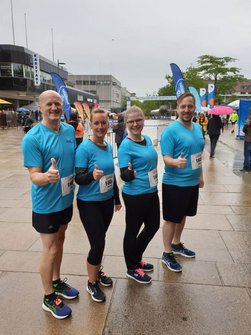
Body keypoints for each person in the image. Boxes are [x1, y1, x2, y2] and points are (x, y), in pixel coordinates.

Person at [22, 90, 79, 320]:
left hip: (66, 198)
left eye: (57, 103)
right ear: (41, 107)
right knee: (50, 248)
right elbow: (33, 176)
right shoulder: (33, 138)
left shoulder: (68, 129)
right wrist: (47, 176)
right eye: (49, 104)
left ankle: (56, 281)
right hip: (46, 204)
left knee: (61, 240)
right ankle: (48, 296)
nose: (54, 108)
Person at [75, 108, 122, 303]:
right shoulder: (84, 148)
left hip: (106, 202)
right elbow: (79, 178)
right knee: (98, 243)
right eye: (97, 123)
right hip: (89, 204)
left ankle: (97, 270)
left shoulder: (108, 147)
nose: (101, 126)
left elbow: (111, 174)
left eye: (104, 123)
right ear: (90, 125)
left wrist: (117, 198)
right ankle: (91, 283)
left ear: (108, 124)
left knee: (100, 239)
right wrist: (91, 176)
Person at [160, 93, 204, 272]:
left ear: (194, 108)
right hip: (175, 183)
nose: (187, 110)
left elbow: (198, 155)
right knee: (171, 219)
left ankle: (176, 243)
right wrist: (175, 162)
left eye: (190, 106)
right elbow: (166, 158)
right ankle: (166, 252)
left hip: (192, 182)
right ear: (177, 108)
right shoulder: (170, 131)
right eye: (183, 106)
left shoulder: (198, 128)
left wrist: (200, 175)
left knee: (183, 214)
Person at [118, 106, 160, 284]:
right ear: (126, 123)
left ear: (144, 120)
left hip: (151, 190)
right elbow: (124, 174)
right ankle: (132, 267)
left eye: (138, 120)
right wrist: (129, 174)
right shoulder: (125, 146)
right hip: (135, 195)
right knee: (132, 230)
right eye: (131, 121)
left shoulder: (148, 139)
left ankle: (137, 257)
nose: (135, 124)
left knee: (153, 226)